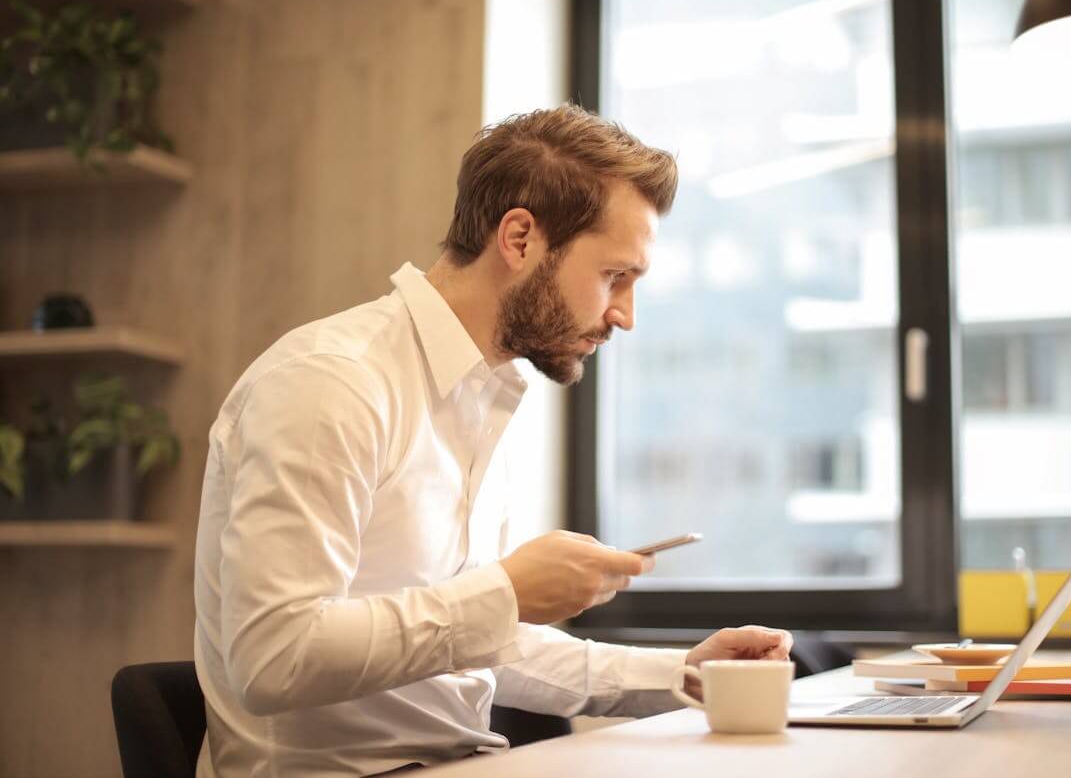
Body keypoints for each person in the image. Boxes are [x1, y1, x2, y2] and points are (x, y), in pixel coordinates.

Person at [193, 104, 793, 778]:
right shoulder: (331, 383)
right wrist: (504, 591)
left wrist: (680, 673)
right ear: (519, 239)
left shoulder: (481, 398)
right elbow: (272, 657)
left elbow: (466, 643)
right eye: (613, 277)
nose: (624, 315)